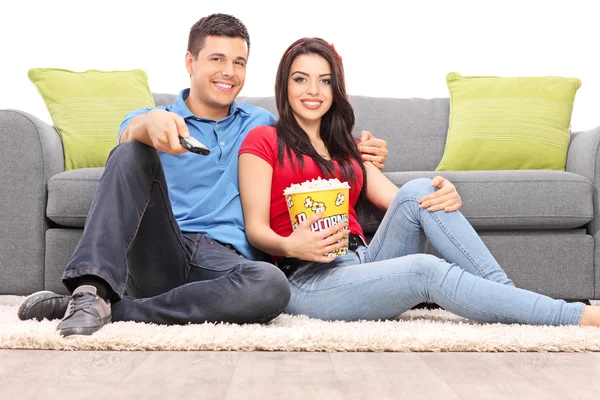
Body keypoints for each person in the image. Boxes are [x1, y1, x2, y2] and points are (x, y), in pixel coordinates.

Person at [16, 14, 390, 337]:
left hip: (225, 262)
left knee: (272, 286)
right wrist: (151, 122)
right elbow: (132, 134)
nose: (229, 71)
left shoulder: (260, 124)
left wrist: (359, 152)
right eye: (217, 59)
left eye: (239, 62)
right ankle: (90, 290)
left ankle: (116, 309)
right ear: (190, 62)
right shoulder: (158, 118)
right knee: (130, 152)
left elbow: (309, 145)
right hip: (164, 248)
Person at [238, 37, 600, 327]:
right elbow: (256, 230)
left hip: (361, 259)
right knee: (424, 270)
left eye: (325, 80)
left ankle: (507, 300)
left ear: (336, 89)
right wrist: (293, 245)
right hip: (308, 277)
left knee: (422, 189)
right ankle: (573, 316)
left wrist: (442, 197)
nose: (312, 90)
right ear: (284, 85)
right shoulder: (263, 140)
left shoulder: (344, 147)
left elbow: (404, 202)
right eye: (300, 79)